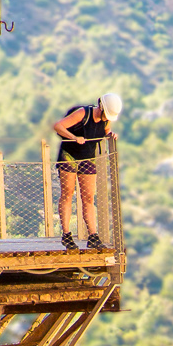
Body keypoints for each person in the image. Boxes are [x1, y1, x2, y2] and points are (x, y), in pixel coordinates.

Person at [52, 92, 122, 249]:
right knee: (68, 193)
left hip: (87, 157)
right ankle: (67, 235)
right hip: (70, 155)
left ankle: (93, 236)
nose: (107, 119)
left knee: (89, 197)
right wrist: (73, 137)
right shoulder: (83, 113)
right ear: (101, 108)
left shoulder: (105, 121)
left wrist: (110, 135)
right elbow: (58, 126)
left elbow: (105, 131)